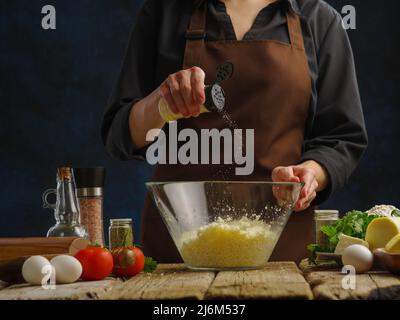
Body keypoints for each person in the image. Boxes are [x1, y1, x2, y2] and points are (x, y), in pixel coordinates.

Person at [102, 0, 368, 263]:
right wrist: (160, 104)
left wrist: (311, 173)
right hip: (178, 250)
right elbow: (118, 134)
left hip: (282, 252)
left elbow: (342, 137)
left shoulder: (318, 18)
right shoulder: (164, 11)